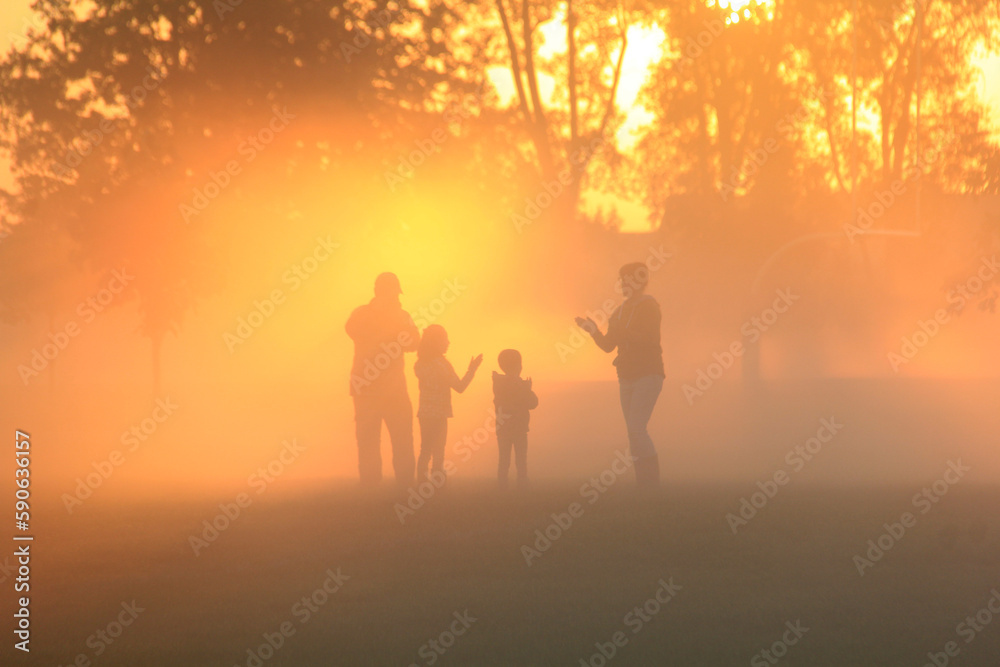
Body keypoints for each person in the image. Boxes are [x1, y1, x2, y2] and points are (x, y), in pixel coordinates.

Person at [575, 262, 664, 487]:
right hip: (626, 375)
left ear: (641, 281)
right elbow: (607, 345)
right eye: (622, 279)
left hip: (648, 373)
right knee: (633, 432)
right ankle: (644, 484)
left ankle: (650, 483)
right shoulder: (620, 311)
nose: (624, 283)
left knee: (636, 429)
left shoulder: (649, 306)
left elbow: (649, 339)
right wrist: (593, 330)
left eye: (629, 279)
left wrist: (623, 332)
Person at [346, 272, 419, 488]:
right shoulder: (365, 315)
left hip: (380, 387)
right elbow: (353, 331)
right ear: (381, 292)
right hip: (374, 387)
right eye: (394, 293)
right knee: (376, 438)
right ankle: (375, 485)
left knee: (396, 438)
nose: (397, 298)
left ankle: (400, 485)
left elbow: (414, 342)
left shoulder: (397, 315)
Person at [413, 324, 483, 482]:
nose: (448, 342)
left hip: (424, 413)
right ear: (436, 342)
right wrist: (472, 370)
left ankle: (421, 482)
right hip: (439, 414)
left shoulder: (419, 364)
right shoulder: (442, 364)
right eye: (445, 339)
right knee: (438, 450)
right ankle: (437, 482)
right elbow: (460, 387)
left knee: (425, 449)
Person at [492, 349, 538, 489]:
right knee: (521, 459)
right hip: (519, 427)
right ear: (518, 366)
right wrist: (528, 389)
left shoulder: (498, 383)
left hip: (503, 428)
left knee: (504, 458)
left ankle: (502, 483)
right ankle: (522, 481)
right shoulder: (520, 385)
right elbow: (533, 403)